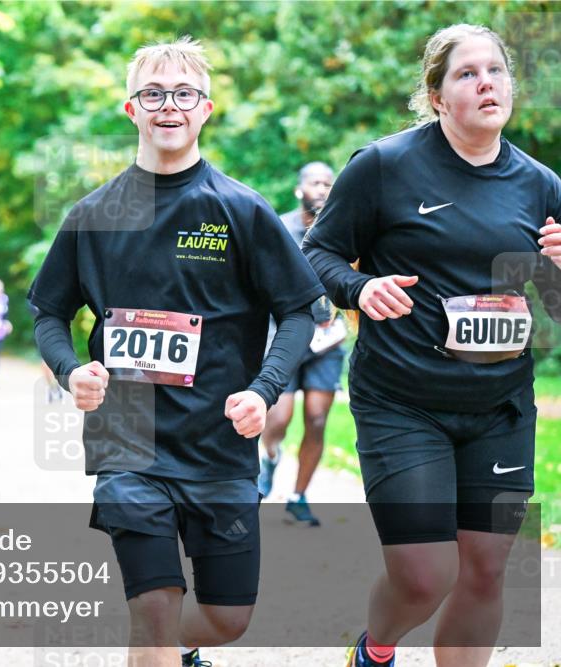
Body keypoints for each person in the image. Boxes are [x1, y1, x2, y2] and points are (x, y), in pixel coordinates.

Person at [29, 37, 324, 667]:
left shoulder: (242, 210)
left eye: (184, 93)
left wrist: (264, 389)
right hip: (128, 438)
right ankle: (155, 644)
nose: (170, 106)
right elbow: (48, 311)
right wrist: (71, 368)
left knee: (228, 618)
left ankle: (165, 648)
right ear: (131, 109)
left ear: (206, 108)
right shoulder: (93, 215)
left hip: (218, 441)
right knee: (155, 613)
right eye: (154, 93)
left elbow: (299, 309)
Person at [302, 24, 561, 667]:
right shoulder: (384, 167)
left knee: (485, 571)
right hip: (403, 401)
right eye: (467, 74)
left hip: (500, 405)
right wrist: (360, 289)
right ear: (438, 95)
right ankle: (376, 649)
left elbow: (555, 306)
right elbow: (316, 256)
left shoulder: (541, 186)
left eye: (496, 71)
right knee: (424, 575)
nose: (486, 84)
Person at [257, 162, 343, 527]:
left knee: (318, 419)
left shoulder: (342, 231)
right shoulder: (280, 228)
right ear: (299, 190)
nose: (321, 188)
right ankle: (270, 458)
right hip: (285, 337)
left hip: (327, 340)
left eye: (328, 183)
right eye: (314, 182)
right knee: (278, 418)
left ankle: (298, 496)